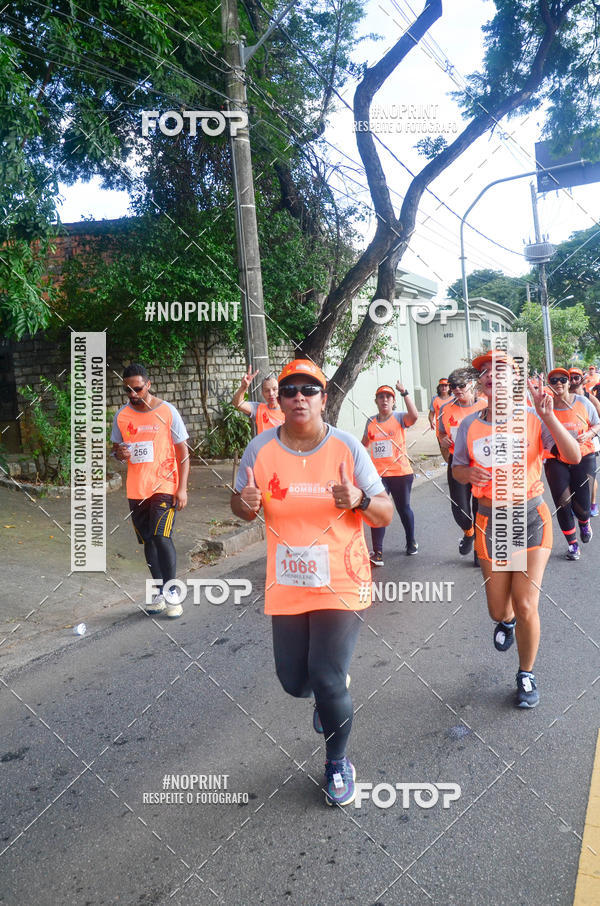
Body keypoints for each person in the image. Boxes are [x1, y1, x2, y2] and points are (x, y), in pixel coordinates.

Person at [231, 359, 392, 807]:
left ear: (324, 398)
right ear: (278, 400)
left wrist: (359, 499)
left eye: (309, 389)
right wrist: (243, 505)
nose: (299, 397)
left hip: (342, 576)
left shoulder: (346, 448)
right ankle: (324, 695)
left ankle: (337, 762)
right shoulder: (259, 450)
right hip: (287, 580)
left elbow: (385, 511)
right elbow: (242, 505)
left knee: (326, 675)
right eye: (290, 390)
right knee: (293, 681)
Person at [452, 352, 581, 708]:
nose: (492, 374)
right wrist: (469, 474)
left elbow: (571, 456)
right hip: (491, 520)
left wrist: (550, 418)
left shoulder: (533, 419)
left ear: (514, 382)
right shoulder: (469, 426)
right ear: (482, 383)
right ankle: (505, 623)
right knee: (500, 609)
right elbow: (458, 469)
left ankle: (526, 673)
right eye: (485, 371)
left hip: (530, 516)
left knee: (526, 604)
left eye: (502, 370)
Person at [111, 364, 189, 618]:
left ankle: (172, 593)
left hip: (164, 485)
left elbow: (183, 453)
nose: (133, 394)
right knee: (148, 539)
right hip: (137, 488)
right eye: (128, 389)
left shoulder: (167, 412)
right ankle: (159, 591)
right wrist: (118, 454)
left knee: (161, 536)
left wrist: (183, 488)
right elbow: (117, 450)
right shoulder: (122, 416)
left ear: (149, 384)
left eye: (138, 388)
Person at [543, 367, 600, 560]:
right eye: (554, 380)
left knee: (582, 506)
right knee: (563, 502)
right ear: (549, 385)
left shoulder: (583, 402)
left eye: (562, 379)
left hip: (584, 456)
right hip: (556, 460)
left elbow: (597, 423)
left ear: (569, 383)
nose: (558, 383)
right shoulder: (546, 405)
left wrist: (590, 434)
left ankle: (584, 522)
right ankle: (573, 545)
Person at [362, 381, 418, 563]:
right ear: (376, 401)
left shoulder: (400, 417)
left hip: (401, 473)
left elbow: (415, 416)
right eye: (381, 397)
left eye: (388, 397)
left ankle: (411, 542)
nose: (384, 400)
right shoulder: (370, 421)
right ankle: (377, 552)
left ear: (393, 401)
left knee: (403, 509)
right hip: (378, 476)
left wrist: (405, 393)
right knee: (377, 511)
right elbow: (363, 446)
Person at [437, 367, 486, 561]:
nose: (457, 389)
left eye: (461, 385)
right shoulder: (445, 408)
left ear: (471, 385)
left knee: (479, 506)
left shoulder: (485, 405)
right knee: (459, 507)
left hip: (481, 462)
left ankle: (478, 549)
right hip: (457, 462)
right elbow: (441, 432)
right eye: (453, 386)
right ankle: (468, 532)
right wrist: (443, 440)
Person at [569, 367, 600, 517]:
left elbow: (598, 416)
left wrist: (590, 432)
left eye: (576, 377)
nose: (573, 381)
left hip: (589, 440)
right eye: (571, 378)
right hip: (572, 443)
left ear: (582, 379)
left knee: (589, 475)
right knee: (573, 475)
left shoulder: (589, 398)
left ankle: (593, 504)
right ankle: (578, 504)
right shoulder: (565, 396)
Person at [232, 366, 284, 433]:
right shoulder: (258, 409)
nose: (271, 393)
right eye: (267, 390)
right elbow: (237, 404)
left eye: (274, 389)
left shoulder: (289, 410)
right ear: (262, 393)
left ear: (280, 390)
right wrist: (243, 387)